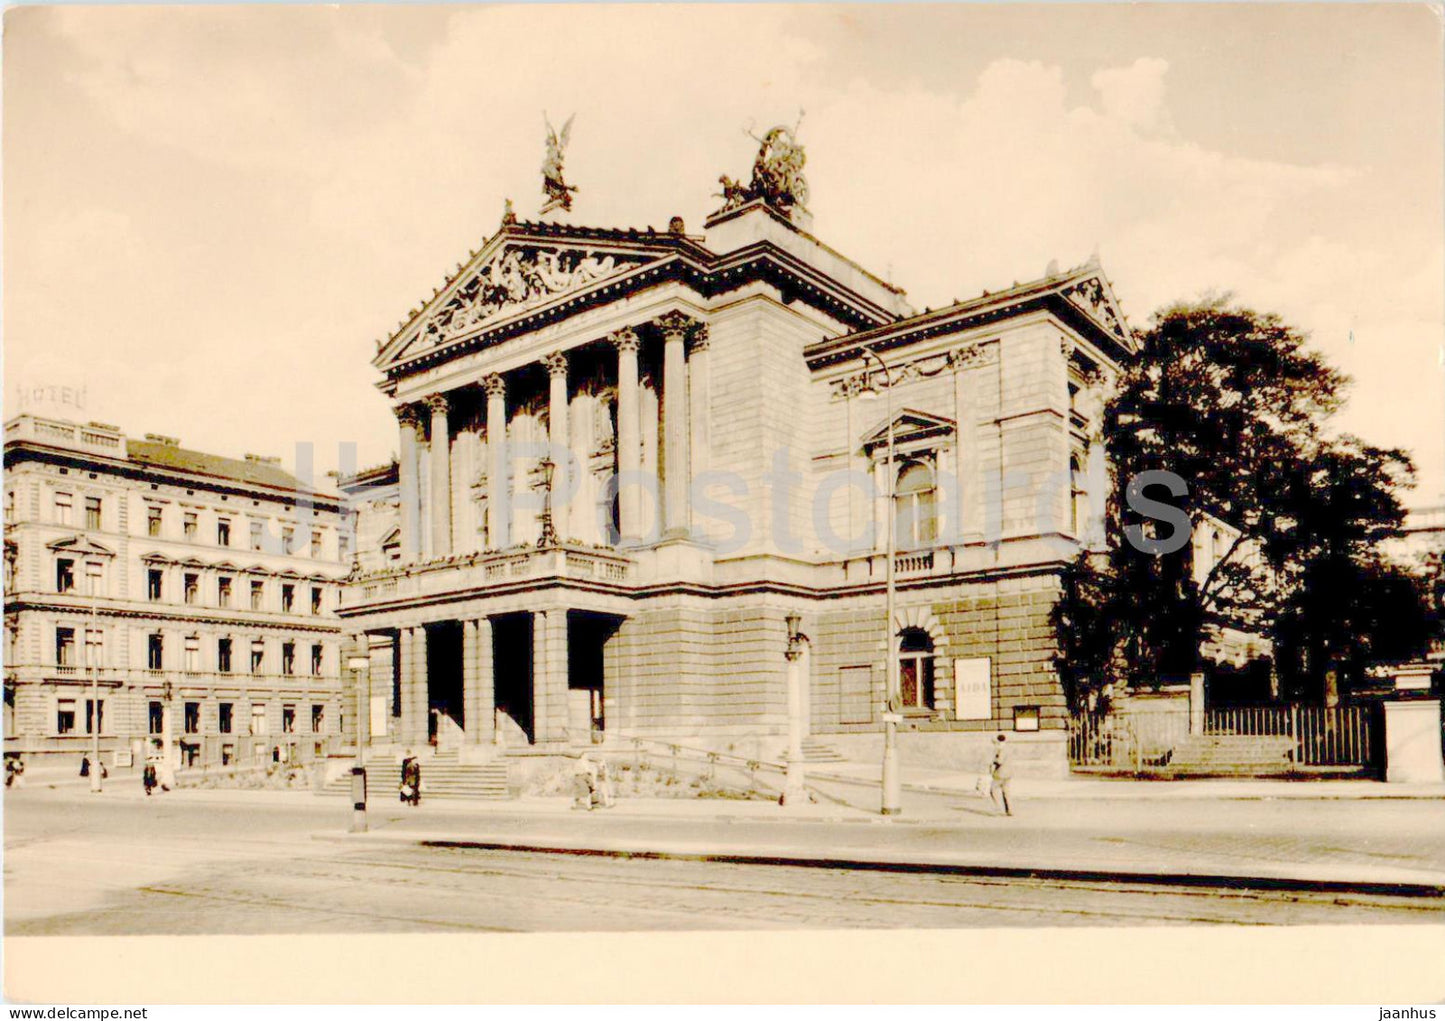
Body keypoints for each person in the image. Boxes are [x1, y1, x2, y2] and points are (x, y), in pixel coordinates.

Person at [989, 733, 1013, 817]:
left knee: (992, 790)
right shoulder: (1008, 748)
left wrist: (993, 760)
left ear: (998, 742)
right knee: (1006, 792)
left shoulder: (1001, 750)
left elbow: (999, 761)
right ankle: (1009, 810)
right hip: (1008, 773)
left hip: (1000, 774)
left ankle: (998, 808)